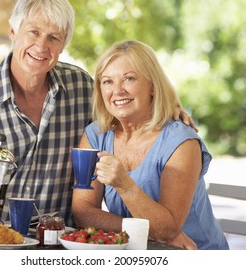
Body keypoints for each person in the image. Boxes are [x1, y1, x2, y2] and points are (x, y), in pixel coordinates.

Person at [0, 0, 194, 228]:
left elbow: (123, 103)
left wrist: (168, 107)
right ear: (13, 32)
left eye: (54, 38)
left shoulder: (80, 88)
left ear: (63, 45)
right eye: (33, 32)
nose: (42, 46)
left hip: (59, 242)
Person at [72, 40, 229, 250]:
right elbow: (83, 212)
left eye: (129, 78)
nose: (117, 91)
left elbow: (167, 230)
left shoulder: (181, 142)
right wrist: (144, 233)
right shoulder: (96, 135)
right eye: (107, 81)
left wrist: (124, 185)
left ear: (153, 86)